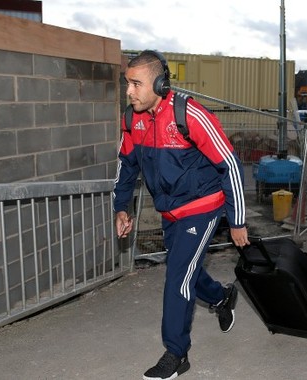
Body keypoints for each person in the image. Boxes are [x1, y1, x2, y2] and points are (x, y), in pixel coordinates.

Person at [113, 50, 249, 380]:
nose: (128, 91)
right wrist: (122, 207)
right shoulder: (133, 119)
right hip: (170, 210)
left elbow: (229, 164)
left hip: (203, 207)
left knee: (177, 277)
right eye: (126, 83)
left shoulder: (188, 114)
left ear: (159, 83)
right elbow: (126, 165)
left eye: (136, 83)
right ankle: (220, 297)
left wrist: (237, 220)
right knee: (184, 269)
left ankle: (177, 352)